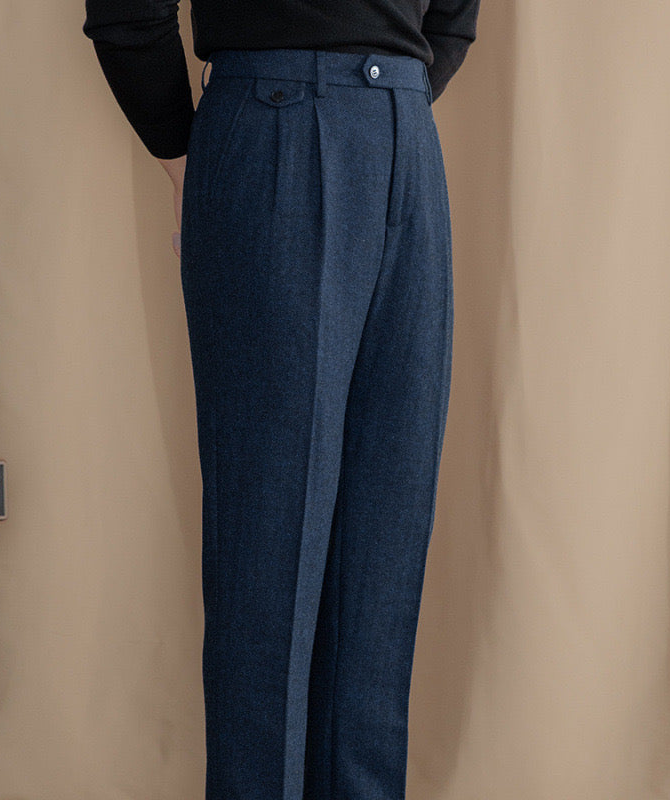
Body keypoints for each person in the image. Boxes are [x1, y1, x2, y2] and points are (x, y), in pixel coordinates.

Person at [82, 2, 480, 797]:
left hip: (403, 133)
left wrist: (385, 106)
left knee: (383, 559)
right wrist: (187, 153)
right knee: (268, 553)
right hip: (278, 125)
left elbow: (454, 16)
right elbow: (127, 12)